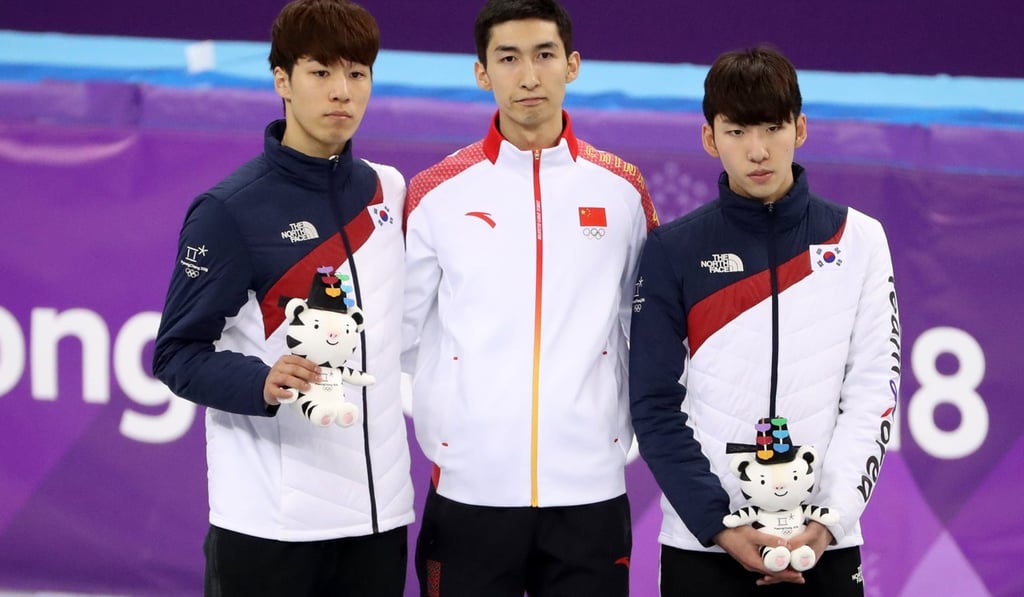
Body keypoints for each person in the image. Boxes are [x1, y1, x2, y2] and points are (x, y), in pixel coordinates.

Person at [151, 1, 413, 595]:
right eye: (320, 72)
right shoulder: (227, 211)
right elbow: (176, 354)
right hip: (270, 527)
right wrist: (261, 381)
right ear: (282, 81)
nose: (342, 91)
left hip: (380, 520)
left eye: (357, 73)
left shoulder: (388, 190)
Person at [401, 1, 659, 595]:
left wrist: (608, 430)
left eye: (544, 55)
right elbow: (402, 336)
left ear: (572, 65)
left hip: (590, 492)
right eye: (508, 58)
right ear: (482, 73)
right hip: (469, 490)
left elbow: (645, 330)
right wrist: (459, 423)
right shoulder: (437, 193)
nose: (528, 76)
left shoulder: (621, 190)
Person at [629, 45, 900, 596]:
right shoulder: (672, 250)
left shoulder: (859, 240)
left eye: (773, 128)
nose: (757, 150)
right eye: (736, 132)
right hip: (703, 545)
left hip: (823, 544)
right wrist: (719, 526)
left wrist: (829, 521)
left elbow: (875, 391)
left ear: (800, 128)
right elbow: (654, 404)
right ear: (710, 139)